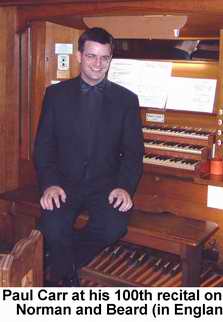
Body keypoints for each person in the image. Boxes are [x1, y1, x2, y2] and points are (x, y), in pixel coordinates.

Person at [34, 27, 144, 286]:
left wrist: (124, 187)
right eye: (92, 56)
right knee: (53, 226)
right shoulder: (55, 95)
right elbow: (43, 146)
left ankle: (63, 266)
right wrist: (49, 183)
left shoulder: (126, 100)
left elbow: (133, 153)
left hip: (104, 185)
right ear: (79, 56)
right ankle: (68, 278)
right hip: (64, 182)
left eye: (104, 58)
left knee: (113, 227)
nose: (98, 64)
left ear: (110, 59)